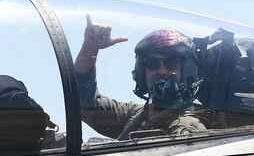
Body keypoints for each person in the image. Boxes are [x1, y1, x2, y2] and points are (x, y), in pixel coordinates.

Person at [74, 15, 209, 139]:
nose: (162, 71)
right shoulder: (139, 114)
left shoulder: (187, 124)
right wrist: (90, 47)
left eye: (171, 63)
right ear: (141, 71)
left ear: (186, 73)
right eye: (152, 63)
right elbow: (85, 104)